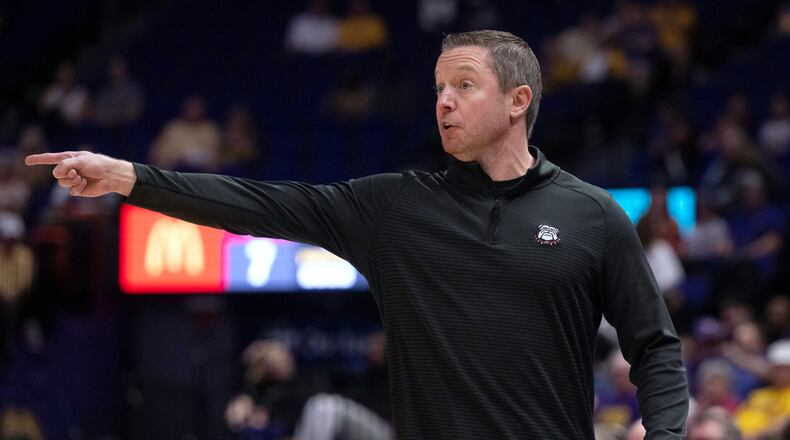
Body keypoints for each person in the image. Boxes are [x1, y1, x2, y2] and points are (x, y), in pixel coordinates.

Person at [25, 30, 688, 439]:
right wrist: (130, 178)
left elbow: (655, 346)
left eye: (464, 85)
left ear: (519, 102)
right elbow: (257, 204)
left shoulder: (593, 215)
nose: (444, 102)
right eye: (437, 89)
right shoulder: (394, 208)